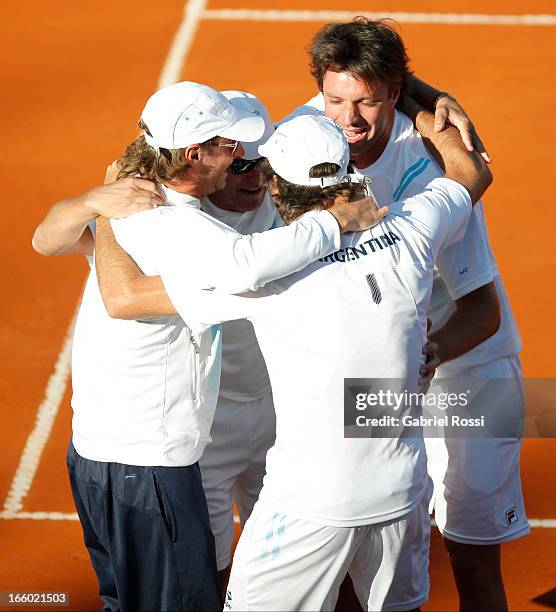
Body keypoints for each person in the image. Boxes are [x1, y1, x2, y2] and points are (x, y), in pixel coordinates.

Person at [91, 98, 492, 610]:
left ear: (275, 187)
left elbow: (124, 297)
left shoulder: (267, 278)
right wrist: (418, 104)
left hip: (308, 508)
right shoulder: (412, 228)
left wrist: (106, 209)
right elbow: (471, 173)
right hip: (404, 496)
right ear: (350, 171)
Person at [32, 81, 384, 612]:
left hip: (112, 453)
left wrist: (96, 206)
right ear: (197, 155)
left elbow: (50, 241)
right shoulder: (178, 228)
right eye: (234, 151)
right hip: (150, 457)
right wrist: (334, 222)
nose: (248, 164)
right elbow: (188, 280)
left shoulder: (141, 209)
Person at [300, 17, 529, 611]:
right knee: (355, 550)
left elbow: (483, 311)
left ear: (395, 94)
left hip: (463, 367)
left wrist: (427, 354)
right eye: (335, 99)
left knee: (472, 549)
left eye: (367, 102)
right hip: (375, 368)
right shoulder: (300, 143)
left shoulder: (435, 167)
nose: (348, 119)